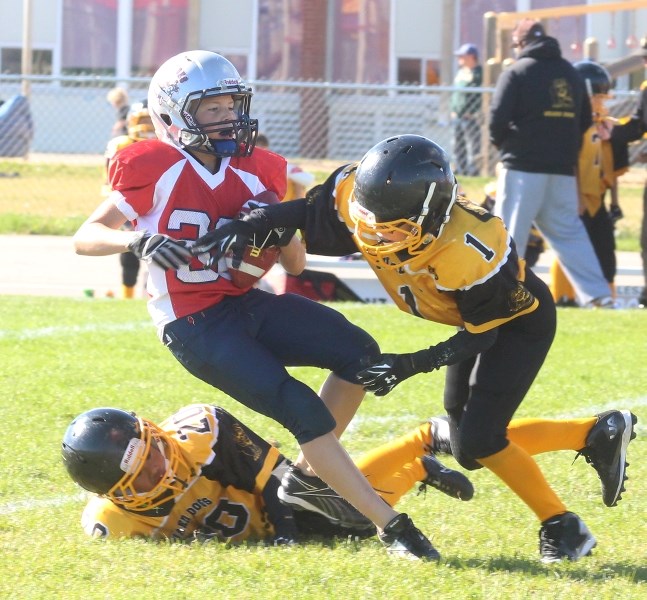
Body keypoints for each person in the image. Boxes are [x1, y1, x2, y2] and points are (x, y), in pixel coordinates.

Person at [192, 133, 638, 563]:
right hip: (467, 320)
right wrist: (257, 222)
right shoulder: (363, 196)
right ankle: (592, 434)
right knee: (468, 446)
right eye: (371, 220)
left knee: (481, 440)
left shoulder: (468, 246)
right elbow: (309, 212)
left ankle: (563, 526)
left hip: (516, 323)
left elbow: (483, 334)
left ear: (432, 216)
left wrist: (408, 365)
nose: (377, 236)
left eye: (395, 228)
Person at [72, 50, 439, 561]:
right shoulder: (152, 166)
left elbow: (293, 264)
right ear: (175, 115)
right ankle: (393, 527)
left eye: (232, 106)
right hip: (193, 324)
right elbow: (85, 236)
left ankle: (309, 481)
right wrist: (136, 242)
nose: (228, 118)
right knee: (303, 411)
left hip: (245, 301)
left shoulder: (258, 170)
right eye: (212, 109)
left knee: (359, 353)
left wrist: (276, 221)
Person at [61, 404, 473, 542]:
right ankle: (419, 467)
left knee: (342, 515)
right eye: (145, 472)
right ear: (121, 493)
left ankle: (423, 440)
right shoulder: (113, 521)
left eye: (152, 448)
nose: (160, 464)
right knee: (358, 523)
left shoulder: (196, 434)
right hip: (248, 528)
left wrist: (286, 536)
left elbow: (280, 480)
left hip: (273, 500)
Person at [489, 19, 612, 308]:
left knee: (507, 236)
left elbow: (496, 121)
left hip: (522, 167)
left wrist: (508, 147)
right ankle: (599, 296)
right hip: (561, 170)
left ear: (521, 44)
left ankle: (495, 296)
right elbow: (583, 122)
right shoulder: (570, 74)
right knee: (570, 234)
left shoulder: (517, 72)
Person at [549, 61, 619, 306]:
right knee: (571, 249)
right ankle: (563, 297)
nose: (602, 103)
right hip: (577, 197)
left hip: (596, 198)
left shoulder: (602, 124)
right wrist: (576, 197)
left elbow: (606, 165)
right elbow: (573, 162)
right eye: (598, 97)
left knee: (605, 249)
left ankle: (609, 298)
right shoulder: (572, 124)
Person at [102, 100, 156, 299]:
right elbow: (112, 182)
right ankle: (128, 294)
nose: (148, 127)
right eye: (144, 120)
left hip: (160, 203)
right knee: (130, 248)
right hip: (130, 203)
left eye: (152, 121)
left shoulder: (171, 145)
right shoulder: (121, 145)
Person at [450, 43, 482, 177]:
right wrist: (453, 109)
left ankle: (473, 170)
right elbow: (456, 93)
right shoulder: (461, 72)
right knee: (458, 144)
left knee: (473, 144)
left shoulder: (479, 73)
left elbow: (480, 96)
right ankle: (461, 168)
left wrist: (474, 111)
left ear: (472, 57)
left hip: (471, 116)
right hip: (457, 114)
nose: (460, 58)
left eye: (463, 55)